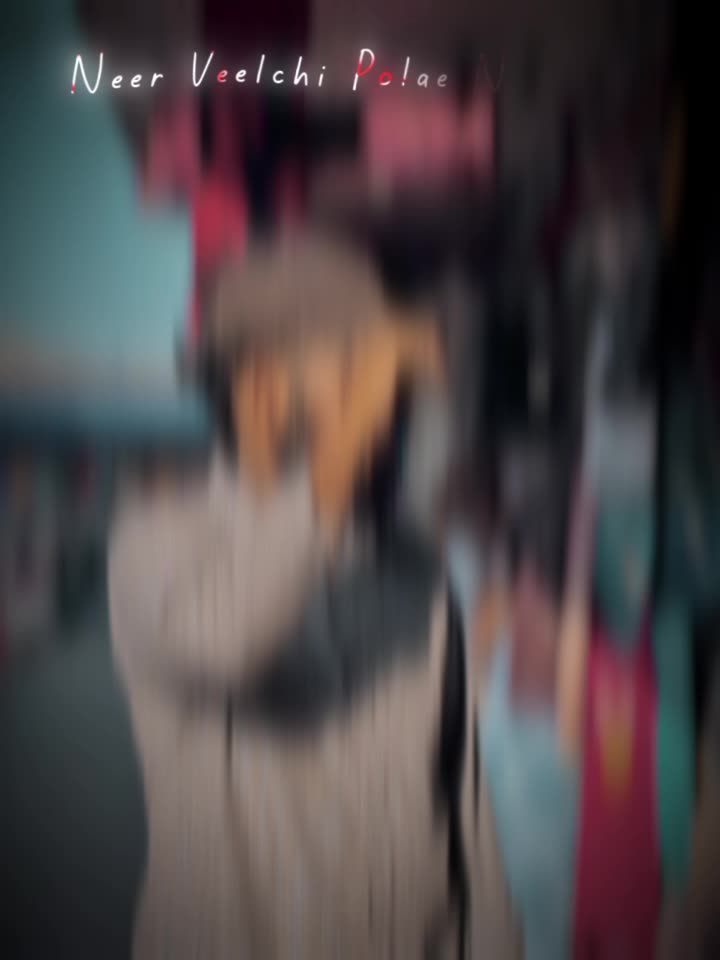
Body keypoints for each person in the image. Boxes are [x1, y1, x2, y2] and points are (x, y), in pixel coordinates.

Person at [108, 232, 513, 958]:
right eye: (350, 366)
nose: (384, 397)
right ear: (257, 383)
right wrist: (344, 437)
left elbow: (462, 819)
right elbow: (227, 638)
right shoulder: (158, 545)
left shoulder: (415, 572)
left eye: (382, 375)